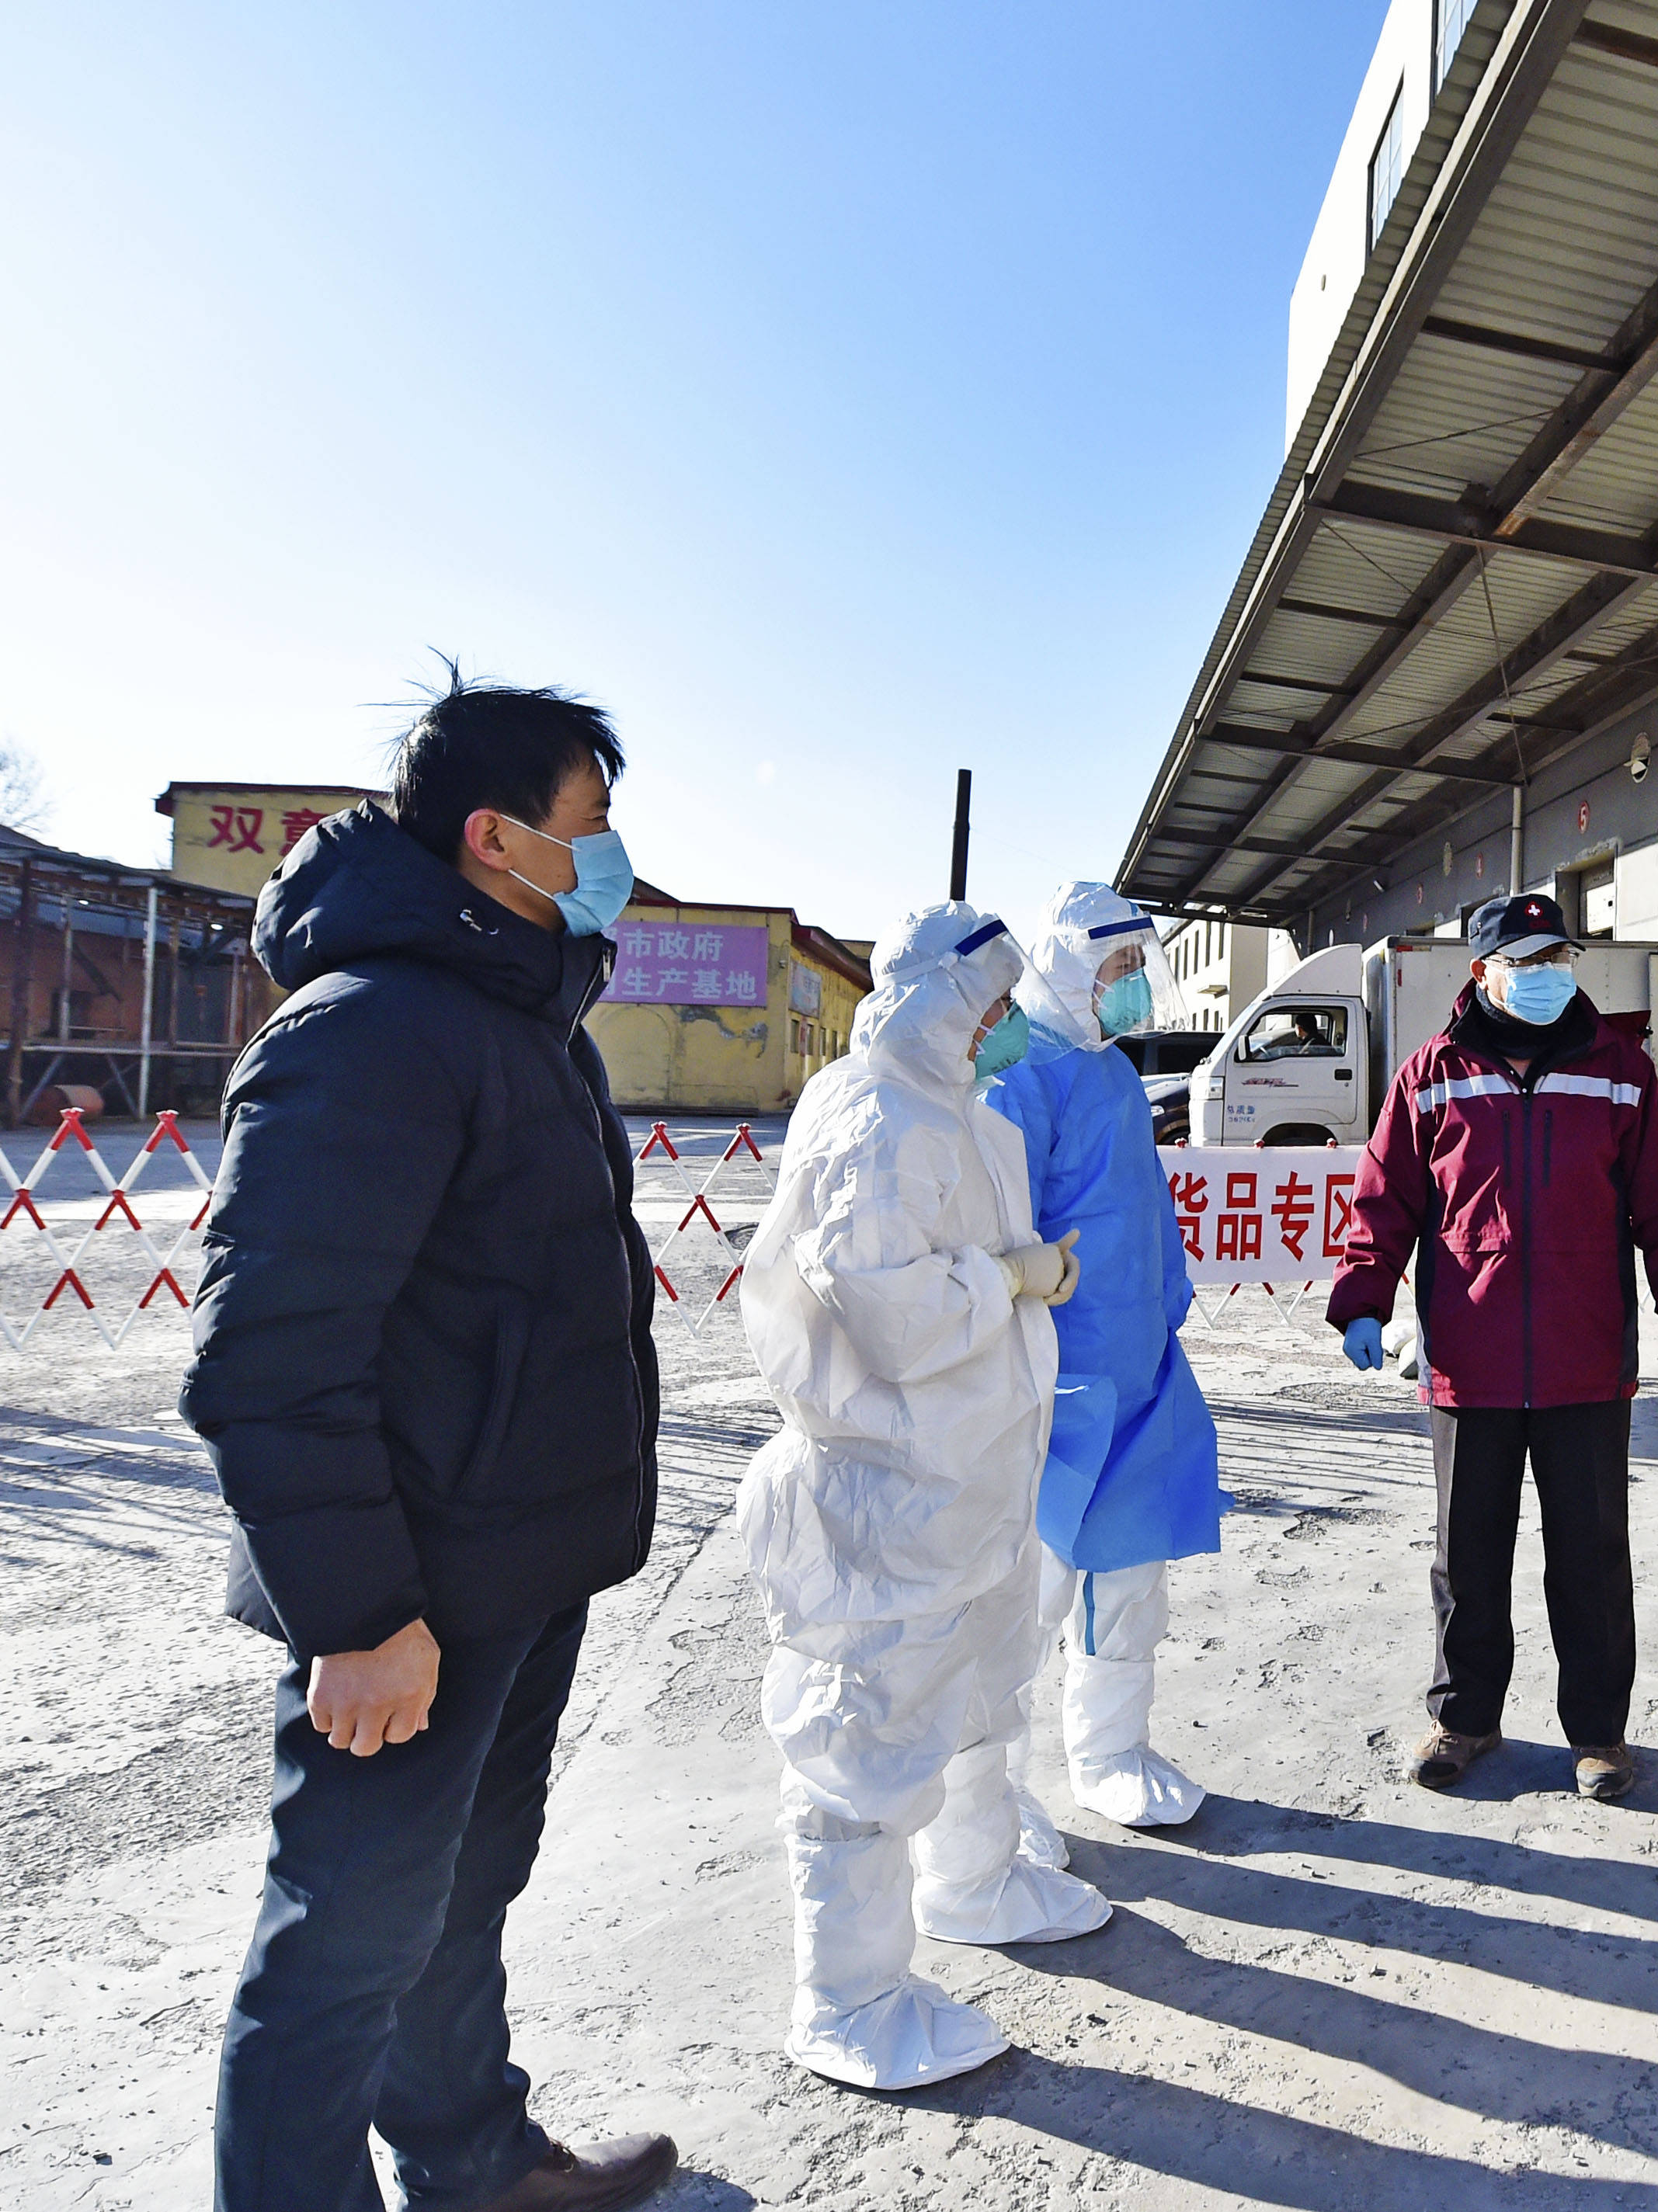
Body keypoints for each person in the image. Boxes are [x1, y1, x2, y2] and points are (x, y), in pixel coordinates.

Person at [186, 675, 679, 2212]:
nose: (612, 854)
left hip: (519, 1568)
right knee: (340, 1942)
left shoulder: (524, 1021)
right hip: (409, 1591)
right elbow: (272, 1355)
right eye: (589, 824)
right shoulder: (373, 1029)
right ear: (495, 838)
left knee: (461, 1893)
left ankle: (470, 2156)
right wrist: (355, 1613)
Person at [738, 901, 1111, 2092]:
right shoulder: (872, 1114)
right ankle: (847, 1995)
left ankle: (975, 1878)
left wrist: (1016, 1281)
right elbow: (885, 1310)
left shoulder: (968, 1114)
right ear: (933, 1001)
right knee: (869, 1730)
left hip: (974, 1473)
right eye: (985, 1006)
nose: (1003, 1025)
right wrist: (1005, 1277)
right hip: (887, 1485)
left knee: (978, 1691)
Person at [1330, 891, 1658, 1802]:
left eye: (1558, 958)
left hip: (1587, 1357)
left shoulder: (1621, 1071)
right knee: (1467, 1553)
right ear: (1483, 973)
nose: (1546, 977)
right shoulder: (1431, 1075)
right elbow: (1385, 1201)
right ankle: (1463, 1717)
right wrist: (1361, 1299)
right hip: (1471, 1357)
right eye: (1526, 961)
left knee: (1590, 1552)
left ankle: (1600, 1735)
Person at [985, 881, 1224, 1828]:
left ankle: (1112, 1748)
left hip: (1138, 1369)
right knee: (1027, 1594)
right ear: (1070, 965)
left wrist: (1165, 1310)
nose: (1129, 988)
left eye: (1136, 968)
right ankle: (987, 1800)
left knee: (1131, 1575)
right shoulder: (1019, 1078)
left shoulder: (1115, 1074)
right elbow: (1002, 1239)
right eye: (1117, 968)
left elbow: (1143, 1214)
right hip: (1050, 1378)